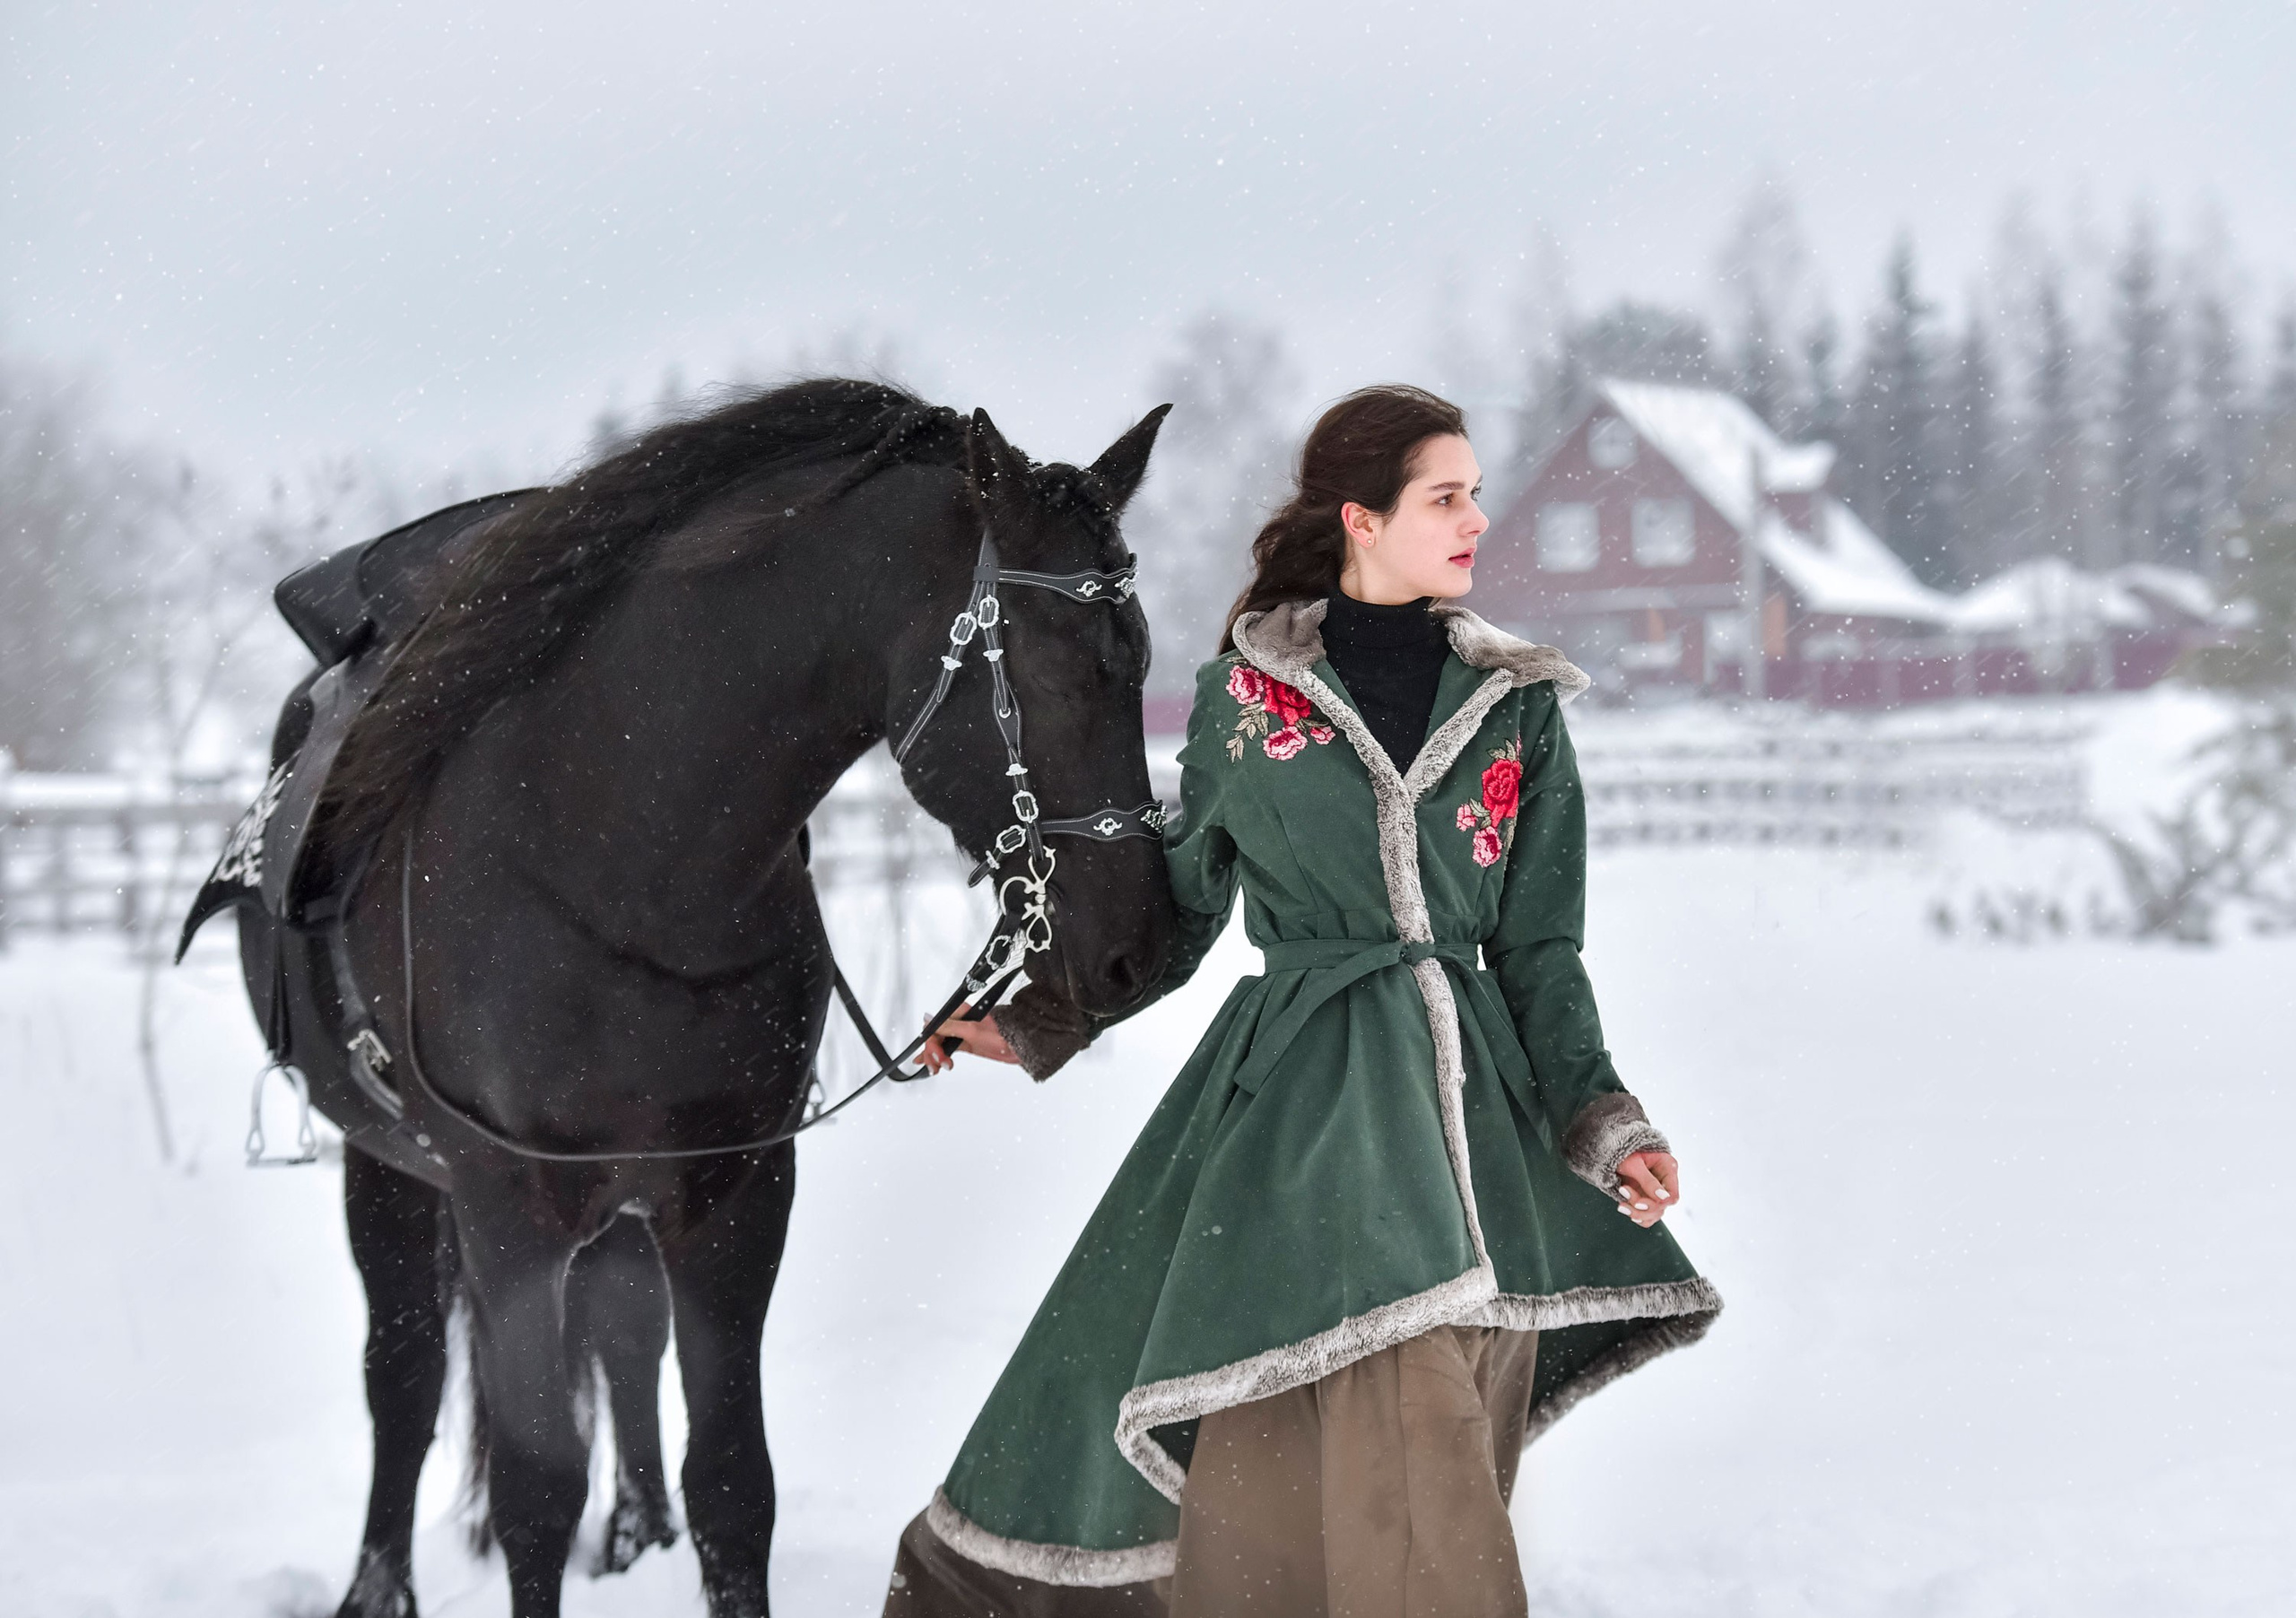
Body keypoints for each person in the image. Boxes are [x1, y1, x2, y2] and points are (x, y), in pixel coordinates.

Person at [886, 385, 1720, 1618]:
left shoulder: (1520, 707)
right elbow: (1177, 912)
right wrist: (1038, 1018)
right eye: (1448, 495)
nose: (1478, 518)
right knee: (1290, 1472)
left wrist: (1605, 1119)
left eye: (1477, 492)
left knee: (1443, 1440)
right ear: (1362, 519)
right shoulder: (1243, 699)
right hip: (1296, 1124)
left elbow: (1543, 950)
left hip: (1472, 1144)